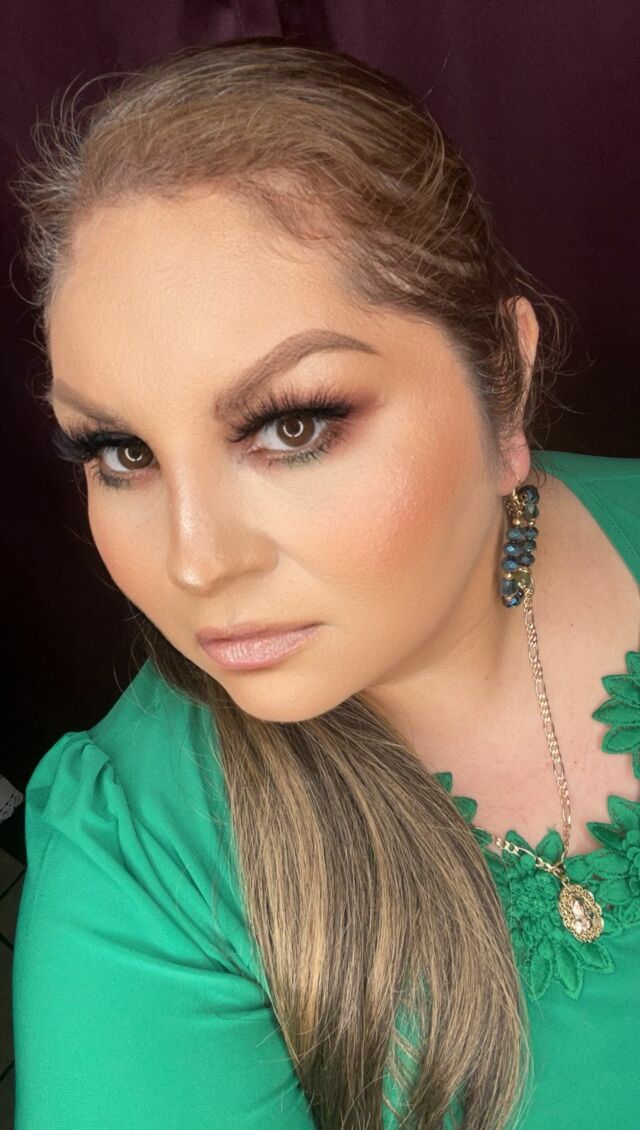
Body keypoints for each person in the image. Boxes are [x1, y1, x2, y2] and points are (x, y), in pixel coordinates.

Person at [11, 38, 640, 1130]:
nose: (195, 562)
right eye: (122, 451)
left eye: (292, 426)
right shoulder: (140, 869)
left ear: (502, 380)